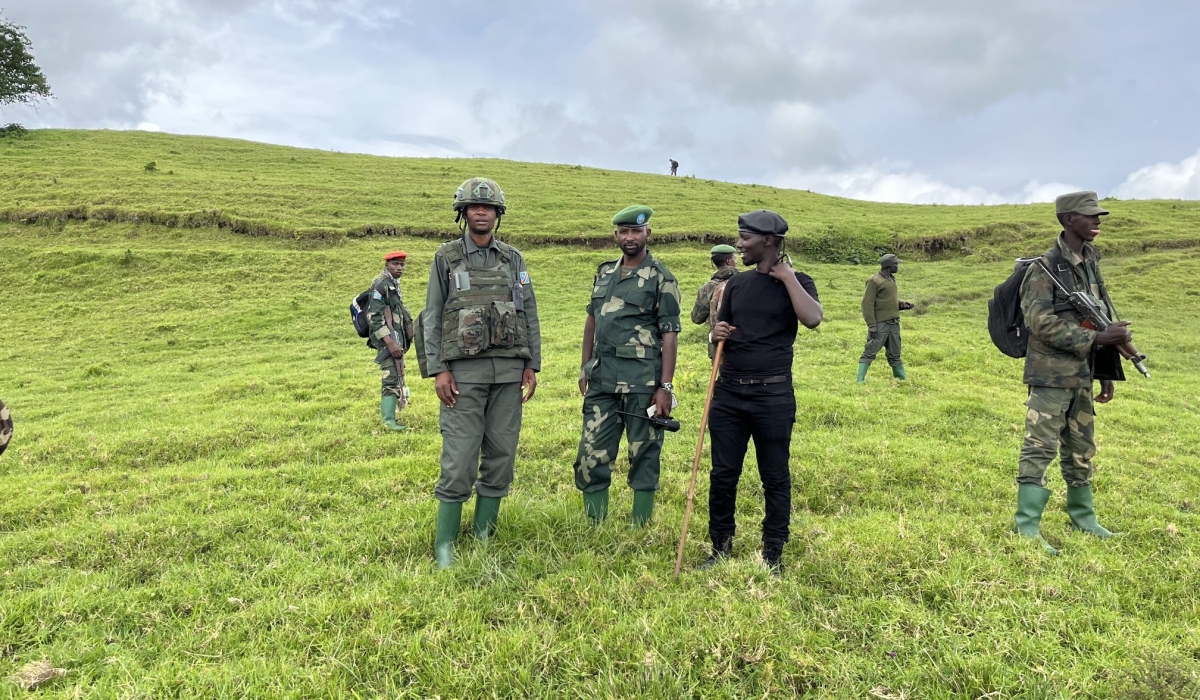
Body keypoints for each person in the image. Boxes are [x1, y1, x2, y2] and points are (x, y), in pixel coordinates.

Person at [420, 177, 542, 568]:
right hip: (462, 377)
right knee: (459, 460)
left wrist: (531, 364)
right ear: (463, 213)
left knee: (502, 456)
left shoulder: (514, 260)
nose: (481, 213)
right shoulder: (446, 257)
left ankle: (484, 534)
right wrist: (439, 368)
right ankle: (445, 546)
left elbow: (528, 311)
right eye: (474, 207)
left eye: (488, 208)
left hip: (508, 375)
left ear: (497, 214)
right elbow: (433, 315)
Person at [702, 210, 823, 574]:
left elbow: (813, 318)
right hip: (728, 395)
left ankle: (773, 553)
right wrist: (715, 334)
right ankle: (720, 546)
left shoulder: (799, 281)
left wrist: (786, 277)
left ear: (768, 241)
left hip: (772, 396)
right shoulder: (736, 284)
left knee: (774, 476)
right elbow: (722, 328)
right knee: (723, 474)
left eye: (745, 238)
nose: (738, 244)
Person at [1013, 191, 1130, 555]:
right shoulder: (1044, 268)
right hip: (1050, 375)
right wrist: (1095, 339)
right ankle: (1026, 527)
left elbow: (1101, 313)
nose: (1097, 221)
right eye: (1089, 216)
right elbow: (1039, 322)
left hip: (1082, 373)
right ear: (1067, 220)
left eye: (1098, 216)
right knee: (1040, 446)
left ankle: (1084, 517)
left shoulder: (1090, 260)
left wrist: (1105, 366)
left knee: (1081, 449)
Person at [573, 205, 682, 526]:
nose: (630, 237)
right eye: (624, 232)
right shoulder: (604, 272)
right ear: (616, 235)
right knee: (590, 454)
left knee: (644, 454)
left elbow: (670, 334)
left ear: (648, 233)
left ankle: (640, 525)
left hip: (643, 384)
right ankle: (594, 523)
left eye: (636, 231)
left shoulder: (662, 277)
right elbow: (592, 320)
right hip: (602, 380)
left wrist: (665, 387)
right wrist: (584, 367)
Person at [366, 251, 414, 431]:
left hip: (395, 338)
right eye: (395, 264)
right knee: (390, 376)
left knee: (396, 373)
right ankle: (388, 421)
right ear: (387, 265)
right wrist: (390, 342)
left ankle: (391, 416)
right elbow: (374, 316)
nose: (400, 268)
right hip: (387, 340)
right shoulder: (381, 284)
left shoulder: (393, 284)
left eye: (402, 264)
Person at [856, 253, 915, 383]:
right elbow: (867, 304)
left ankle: (901, 379)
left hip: (894, 323)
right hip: (880, 323)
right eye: (896, 264)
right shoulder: (874, 281)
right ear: (889, 265)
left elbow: (887, 300)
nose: (898, 266)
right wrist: (871, 324)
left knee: (895, 353)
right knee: (870, 351)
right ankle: (860, 380)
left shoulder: (891, 280)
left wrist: (901, 305)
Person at [690, 244, 739, 360]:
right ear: (728, 261)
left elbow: (696, 318)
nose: (736, 262)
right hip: (745, 345)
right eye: (735, 259)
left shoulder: (707, 288)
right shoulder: (745, 281)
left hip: (719, 349)